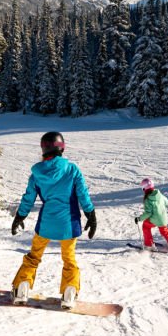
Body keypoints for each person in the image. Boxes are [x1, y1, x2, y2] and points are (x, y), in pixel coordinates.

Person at [11, 131, 97, 309]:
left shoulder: (36, 174)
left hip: (46, 223)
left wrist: (20, 216)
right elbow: (83, 194)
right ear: (62, 148)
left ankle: (22, 288)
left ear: (43, 149)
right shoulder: (72, 170)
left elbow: (29, 198)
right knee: (69, 259)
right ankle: (69, 293)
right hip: (69, 223)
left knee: (34, 256)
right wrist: (91, 214)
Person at [136, 178, 168, 250]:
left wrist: (139, 218)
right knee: (164, 231)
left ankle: (149, 245)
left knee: (146, 226)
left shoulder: (148, 199)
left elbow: (148, 213)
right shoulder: (159, 194)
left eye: (143, 189)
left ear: (145, 188)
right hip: (163, 218)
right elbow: (167, 201)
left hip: (154, 220)